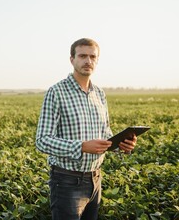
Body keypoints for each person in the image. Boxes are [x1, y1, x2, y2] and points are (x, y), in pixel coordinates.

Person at [35, 38, 137, 220]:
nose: (88, 61)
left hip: (96, 178)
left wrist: (120, 144)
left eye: (92, 57)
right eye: (82, 56)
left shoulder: (99, 93)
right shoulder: (56, 92)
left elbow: (105, 132)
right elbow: (42, 140)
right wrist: (81, 146)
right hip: (66, 181)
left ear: (97, 61)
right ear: (72, 59)